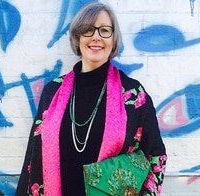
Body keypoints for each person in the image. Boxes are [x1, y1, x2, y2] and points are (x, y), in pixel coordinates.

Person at [16, 2, 167, 196]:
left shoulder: (133, 94)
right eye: (88, 30)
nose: (96, 37)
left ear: (113, 39)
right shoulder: (52, 92)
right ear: (78, 37)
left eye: (105, 30)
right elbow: (33, 158)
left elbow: (156, 155)